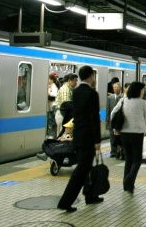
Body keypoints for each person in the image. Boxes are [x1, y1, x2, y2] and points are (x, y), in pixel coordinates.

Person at [57, 65, 103, 213]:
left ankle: (90, 196)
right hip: (88, 138)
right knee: (81, 171)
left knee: (87, 168)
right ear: (90, 76)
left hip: (78, 136)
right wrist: (97, 140)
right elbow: (94, 119)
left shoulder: (76, 92)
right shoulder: (92, 94)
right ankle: (65, 202)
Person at [111, 81, 146, 194]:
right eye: (143, 90)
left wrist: (116, 128)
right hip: (137, 134)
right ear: (139, 91)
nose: (144, 92)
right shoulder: (142, 103)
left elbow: (113, 113)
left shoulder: (123, 100)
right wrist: (145, 121)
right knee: (137, 160)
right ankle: (128, 180)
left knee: (129, 159)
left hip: (124, 134)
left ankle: (128, 186)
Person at [106, 82, 123, 158]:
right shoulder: (110, 98)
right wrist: (107, 122)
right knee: (112, 137)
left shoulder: (123, 97)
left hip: (119, 121)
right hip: (112, 121)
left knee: (119, 137)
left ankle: (120, 152)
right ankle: (113, 152)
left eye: (116, 87)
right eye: (114, 88)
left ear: (120, 88)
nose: (115, 89)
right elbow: (108, 111)